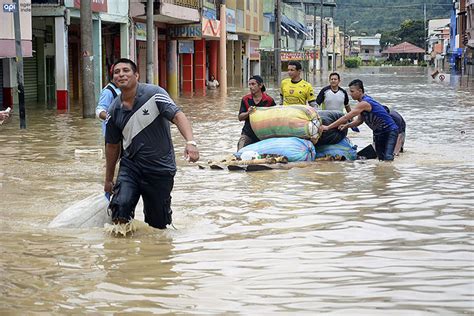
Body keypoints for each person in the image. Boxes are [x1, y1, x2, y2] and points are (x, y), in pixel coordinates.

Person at [104, 58, 199, 229]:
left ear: (136, 75)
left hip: (160, 168)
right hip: (130, 167)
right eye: (117, 72)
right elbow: (112, 146)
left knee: (158, 225)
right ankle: (122, 253)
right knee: (120, 209)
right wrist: (109, 179)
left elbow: (178, 116)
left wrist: (190, 142)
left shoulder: (155, 94)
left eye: (126, 70)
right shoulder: (113, 110)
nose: (121, 74)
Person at [320, 79, 399, 161]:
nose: (350, 94)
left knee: (388, 157)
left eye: (352, 91)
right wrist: (347, 125)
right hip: (378, 133)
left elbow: (346, 117)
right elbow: (359, 121)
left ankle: (390, 172)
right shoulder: (363, 103)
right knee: (381, 158)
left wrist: (328, 127)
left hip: (390, 131)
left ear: (360, 91)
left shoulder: (364, 103)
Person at [237, 75, 276, 150]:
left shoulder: (269, 100)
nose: (251, 87)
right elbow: (240, 117)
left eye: (253, 84)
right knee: (240, 152)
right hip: (248, 134)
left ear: (260, 85)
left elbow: (274, 117)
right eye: (249, 84)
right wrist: (248, 113)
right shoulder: (245, 99)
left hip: (264, 135)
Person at [96, 66, 121, 136]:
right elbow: (99, 110)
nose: (121, 75)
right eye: (117, 72)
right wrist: (113, 119)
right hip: (112, 134)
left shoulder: (123, 88)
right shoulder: (108, 91)